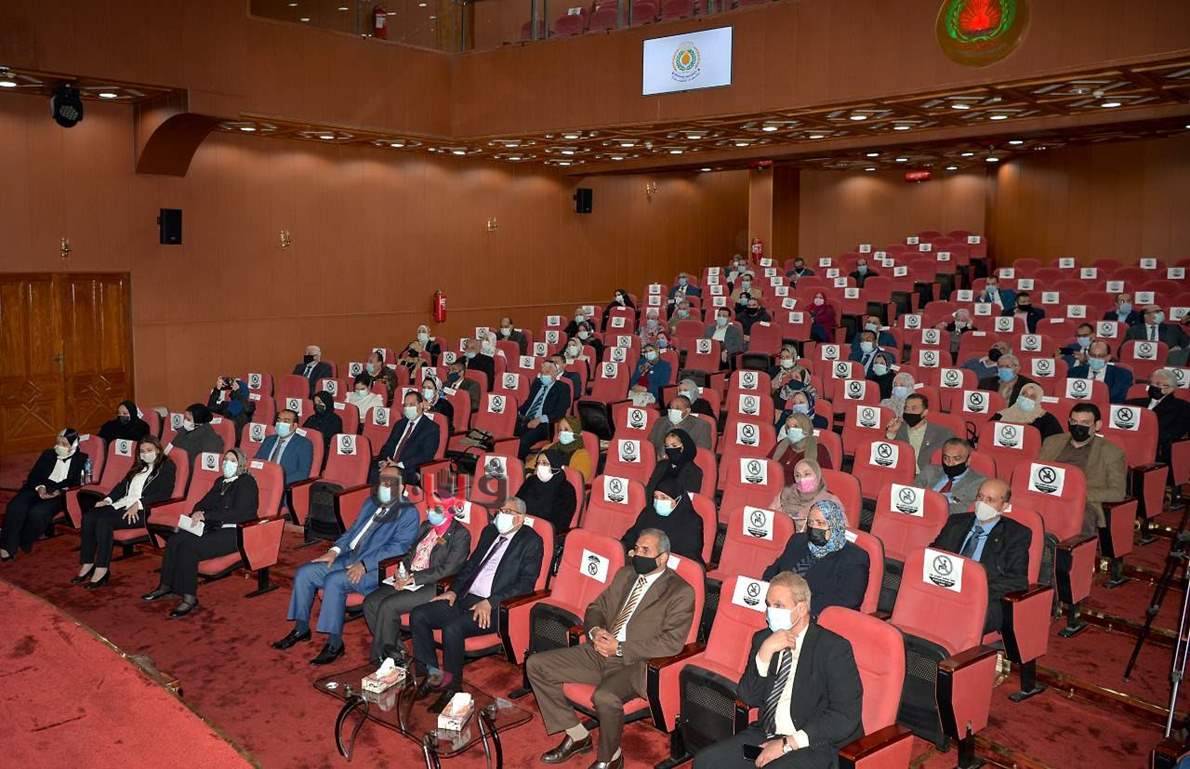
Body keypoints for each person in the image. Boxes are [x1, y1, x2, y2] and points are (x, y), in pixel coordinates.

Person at [529, 529, 696, 769]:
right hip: (600, 649)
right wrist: (596, 631)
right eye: (636, 548)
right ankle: (577, 735)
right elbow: (596, 608)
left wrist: (620, 647)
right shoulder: (626, 574)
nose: (638, 554)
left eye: (645, 550)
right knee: (536, 665)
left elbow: (671, 642)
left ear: (662, 558)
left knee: (604, 697)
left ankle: (611, 757)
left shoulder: (680, 591)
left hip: (634, 663)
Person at [691, 572, 863, 769]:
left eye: (779, 606)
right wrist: (764, 654)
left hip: (813, 742)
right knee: (705, 762)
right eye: (768, 605)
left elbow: (845, 715)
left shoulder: (833, 648)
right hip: (766, 733)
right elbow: (748, 697)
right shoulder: (763, 639)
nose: (770, 612)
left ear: (801, 608)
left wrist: (788, 743)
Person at [274, 464, 420, 664]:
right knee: (304, 573)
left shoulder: (408, 512)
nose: (384, 486)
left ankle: (334, 644)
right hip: (350, 557)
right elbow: (351, 532)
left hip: (375, 569)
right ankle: (301, 629)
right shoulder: (371, 503)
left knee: (334, 581)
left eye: (389, 482)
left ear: (401, 487)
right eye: (381, 481)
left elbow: (398, 548)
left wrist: (365, 564)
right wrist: (333, 551)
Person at [410, 497, 544, 711]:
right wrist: (453, 591)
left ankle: (452, 689)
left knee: (453, 627)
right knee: (419, 615)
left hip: (496, 607)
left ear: (519, 519)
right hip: (466, 597)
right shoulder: (490, 532)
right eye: (500, 510)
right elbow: (470, 565)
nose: (501, 515)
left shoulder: (531, 541)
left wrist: (490, 602)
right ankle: (432, 677)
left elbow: (526, 584)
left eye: (507, 512)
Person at [141, 449, 259, 618]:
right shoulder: (221, 481)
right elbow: (203, 502)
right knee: (175, 540)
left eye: (232, 460)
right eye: (225, 460)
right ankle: (166, 586)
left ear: (241, 463)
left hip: (235, 531)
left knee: (189, 547)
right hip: (212, 526)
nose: (227, 463)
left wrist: (207, 515)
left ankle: (189, 597)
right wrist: (198, 512)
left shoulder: (247, 482)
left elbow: (240, 513)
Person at [362, 498, 472, 664]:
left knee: (388, 605)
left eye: (436, 509)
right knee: (370, 602)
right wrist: (402, 571)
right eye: (429, 508)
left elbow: (449, 569)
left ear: (449, 511)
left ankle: (387, 659)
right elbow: (409, 554)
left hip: (434, 584)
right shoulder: (426, 526)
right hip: (410, 577)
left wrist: (415, 578)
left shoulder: (460, 535)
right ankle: (395, 651)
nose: (429, 512)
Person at [930, 479, 1030, 633]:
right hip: (945, 587)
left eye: (990, 500)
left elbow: (1017, 581)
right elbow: (933, 554)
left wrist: (976, 589)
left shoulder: (1015, 535)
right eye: (980, 497)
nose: (982, 503)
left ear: (1004, 506)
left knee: (953, 621)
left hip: (983, 597)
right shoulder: (955, 522)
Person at [75, 436, 176, 589]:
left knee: (104, 521)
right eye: (142, 451)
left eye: (149, 450)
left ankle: (102, 568)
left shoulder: (166, 466)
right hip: (123, 504)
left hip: (145, 510)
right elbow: (122, 486)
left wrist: (139, 504)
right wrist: (107, 500)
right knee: (89, 516)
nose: (145, 454)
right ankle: (87, 563)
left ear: (157, 450)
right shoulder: (138, 466)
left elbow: (164, 494)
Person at [762, 500, 868, 617]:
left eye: (820, 523)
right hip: (778, 606)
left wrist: (796, 606)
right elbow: (773, 570)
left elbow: (847, 600)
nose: (814, 527)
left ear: (835, 524)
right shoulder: (797, 541)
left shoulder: (854, 557)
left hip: (815, 617)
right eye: (811, 522)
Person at [1038, 403, 1127, 536]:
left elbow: (1118, 492)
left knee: (1080, 518)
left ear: (1097, 425)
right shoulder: (1052, 442)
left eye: (1085, 423)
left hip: (1083, 502)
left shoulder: (1112, 452)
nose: (1078, 426)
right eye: (1074, 422)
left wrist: (1079, 495)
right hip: (1046, 494)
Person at [1, 429, 88, 561]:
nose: (59, 446)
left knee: (38, 513)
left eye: (64, 444)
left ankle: (22, 541)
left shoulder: (82, 459)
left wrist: (58, 491)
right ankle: (6, 546)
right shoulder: (48, 454)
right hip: (37, 487)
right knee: (16, 506)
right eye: (58, 442)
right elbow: (34, 475)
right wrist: (40, 488)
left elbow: (77, 482)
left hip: (59, 493)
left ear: (73, 445)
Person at [623, 476, 705, 564]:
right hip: (638, 561)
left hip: (669, 567)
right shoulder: (648, 513)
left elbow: (689, 556)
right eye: (656, 497)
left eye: (664, 498)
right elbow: (631, 536)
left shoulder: (692, 522)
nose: (658, 501)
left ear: (677, 500)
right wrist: (630, 549)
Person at [373, 391, 441, 486]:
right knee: (368, 472)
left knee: (385, 479)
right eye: (405, 405)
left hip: (409, 469)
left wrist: (399, 465)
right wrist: (383, 461)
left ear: (421, 405)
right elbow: (388, 445)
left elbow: (426, 455)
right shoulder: (400, 424)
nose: (408, 408)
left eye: (411, 405)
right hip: (390, 464)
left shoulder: (431, 428)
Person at [1127, 368, 1190, 465]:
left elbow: (1174, 434)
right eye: (1153, 384)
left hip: (1158, 450)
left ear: (1171, 389)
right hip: (1128, 444)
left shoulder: (1182, 407)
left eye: (1159, 385)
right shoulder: (1132, 403)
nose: (1155, 387)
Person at [913, 438, 987, 516]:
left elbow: (963, 510)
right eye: (946, 458)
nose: (950, 463)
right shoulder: (929, 471)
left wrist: (929, 506)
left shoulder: (979, 483)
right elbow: (913, 495)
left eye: (957, 459)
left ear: (968, 460)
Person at [884, 394, 954, 475]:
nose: (909, 412)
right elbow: (887, 455)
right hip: (900, 474)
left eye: (914, 409)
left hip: (926, 477)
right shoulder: (899, 429)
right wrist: (891, 433)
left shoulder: (943, 433)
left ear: (925, 412)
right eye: (906, 408)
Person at [516, 359, 572, 460]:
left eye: (548, 371)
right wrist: (515, 412)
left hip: (545, 424)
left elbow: (560, 412)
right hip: (525, 419)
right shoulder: (537, 383)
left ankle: (516, 464)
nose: (544, 374)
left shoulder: (562, 387)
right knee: (502, 434)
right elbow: (528, 403)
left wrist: (540, 419)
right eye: (543, 372)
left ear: (556, 373)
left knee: (522, 442)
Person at [771, 458, 840, 532]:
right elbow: (770, 516)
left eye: (807, 474)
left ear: (817, 475)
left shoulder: (830, 500)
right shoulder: (786, 493)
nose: (802, 479)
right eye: (797, 475)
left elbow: (840, 531)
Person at [518, 450, 578, 532]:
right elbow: (517, 503)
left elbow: (561, 524)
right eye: (538, 463)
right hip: (520, 525)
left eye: (544, 463)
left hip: (544, 531)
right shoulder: (531, 481)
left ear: (555, 465)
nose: (540, 466)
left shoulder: (566, 489)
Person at [255, 408, 313, 486]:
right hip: (261, 481)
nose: (280, 424)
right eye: (278, 420)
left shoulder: (304, 444)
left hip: (284, 485)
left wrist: (278, 481)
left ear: (294, 426)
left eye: (286, 421)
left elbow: (302, 473)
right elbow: (257, 460)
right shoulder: (268, 440)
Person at [643, 429, 703, 502]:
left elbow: (687, 500)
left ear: (684, 446)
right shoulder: (661, 465)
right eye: (667, 446)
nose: (670, 449)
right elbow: (649, 491)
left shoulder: (694, 471)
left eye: (674, 445)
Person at [990, 382, 1063, 440]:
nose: (1026, 398)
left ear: (1038, 400)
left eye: (1032, 397)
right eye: (1024, 394)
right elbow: (987, 435)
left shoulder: (1047, 419)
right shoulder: (1001, 415)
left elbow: (1055, 443)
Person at [1069, 340, 1133, 403]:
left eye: (1100, 356)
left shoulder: (1123, 376)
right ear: (1088, 356)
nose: (1096, 358)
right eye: (1093, 355)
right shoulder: (1073, 373)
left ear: (1108, 357)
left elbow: (1119, 400)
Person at [773, 411, 832, 480]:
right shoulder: (781, 444)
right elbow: (769, 465)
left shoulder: (819, 449)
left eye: (795, 426)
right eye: (788, 427)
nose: (791, 430)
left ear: (805, 428)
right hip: (776, 482)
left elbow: (827, 477)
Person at [170, 404, 224, 473]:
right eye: (185, 418)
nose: (185, 421)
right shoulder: (184, 430)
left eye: (188, 419)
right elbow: (172, 448)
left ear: (199, 421)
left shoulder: (212, 440)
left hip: (189, 472)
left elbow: (204, 468)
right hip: (174, 466)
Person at [539, 415, 594, 482]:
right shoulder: (549, 447)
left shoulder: (581, 455)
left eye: (566, 430)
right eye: (560, 430)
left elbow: (578, 480)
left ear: (576, 432)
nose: (562, 433)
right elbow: (532, 464)